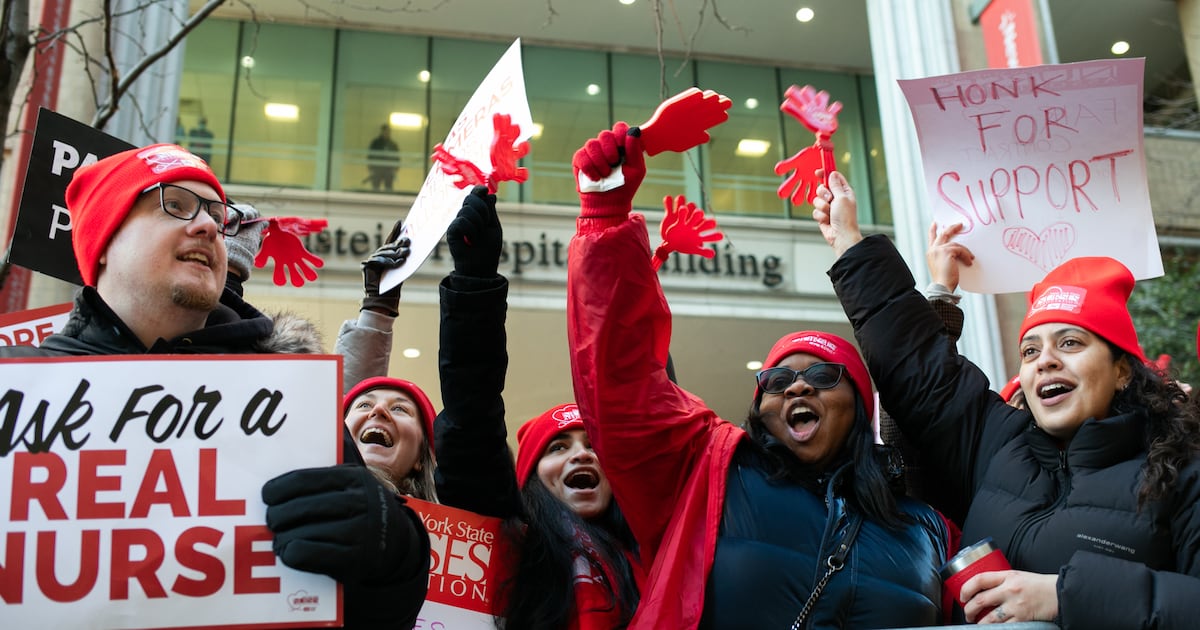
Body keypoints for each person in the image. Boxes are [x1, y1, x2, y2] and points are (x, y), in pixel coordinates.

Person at [0, 143, 430, 630]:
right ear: (105, 239)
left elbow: (375, 616)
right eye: (175, 205)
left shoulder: (286, 396)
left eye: (216, 215)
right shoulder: (17, 387)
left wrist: (394, 553)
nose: (207, 226)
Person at [565, 123, 951, 629]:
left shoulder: (929, 527)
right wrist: (605, 216)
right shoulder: (707, 474)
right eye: (776, 380)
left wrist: (939, 298)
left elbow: (933, 393)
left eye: (823, 373)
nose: (796, 385)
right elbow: (621, 381)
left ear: (861, 405)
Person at [813, 169, 1200, 628]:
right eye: (1030, 350)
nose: (1045, 361)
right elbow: (917, 364)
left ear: (1120, 371)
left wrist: (1063, 595)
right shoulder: (997, 443)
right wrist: (850, 244)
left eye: (1071, 343)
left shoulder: (1182, 468)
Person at [342, 375, 439, 501]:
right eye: (364, 405)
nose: (379, 409)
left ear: (421, 457)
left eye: (399, 408)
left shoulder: (449, 519)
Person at [366, 124, 401, 192]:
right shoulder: (375, 143)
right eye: (385, 131)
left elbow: (396, 157)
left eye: (388, 131)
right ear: (382, 132)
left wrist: (395, 169)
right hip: (377, 169)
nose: (386, 133)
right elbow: (370, 156)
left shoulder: (393, 144)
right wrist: (371, 168)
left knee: (388, 188)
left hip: (388, 170)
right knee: (375, 188)